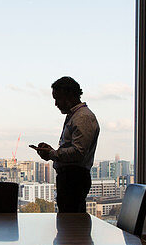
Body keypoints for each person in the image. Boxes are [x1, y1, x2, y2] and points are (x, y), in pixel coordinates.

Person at [30, 76, 100, 213]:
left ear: (69, 95)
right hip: (71, 178)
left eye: (58, 99)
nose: (56, 104)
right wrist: (52, 152)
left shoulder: (82, 117)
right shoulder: (77, 116)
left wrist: (52, 154)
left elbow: (78, 153)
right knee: (70, 224)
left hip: (73, 179)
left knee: (71, 224)